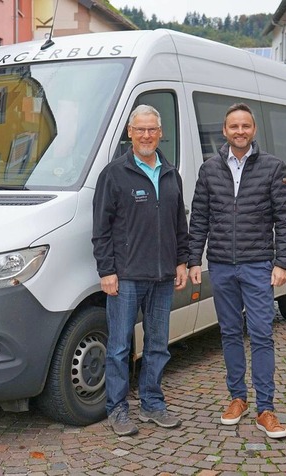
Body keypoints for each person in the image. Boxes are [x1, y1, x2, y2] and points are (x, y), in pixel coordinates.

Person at [188, 103, 286, 439]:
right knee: (230, 334)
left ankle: (266, 408)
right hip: (220, 265)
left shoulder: (273, 167)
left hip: (258, 265)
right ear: (224, 130)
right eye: (233, 126)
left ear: (253, 130)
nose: (239, 131)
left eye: (245, 126)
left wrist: (283, 263)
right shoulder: (209, 169)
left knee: (262, 334)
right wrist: (194, 260)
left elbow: (285, 220)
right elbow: (199, 218)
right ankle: (238, 398)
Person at [92, 104, 189, 436]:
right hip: (127, 276)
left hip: (163, 276)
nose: (146, 135)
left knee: (158, 344)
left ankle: (152, 404)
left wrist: (181, 260)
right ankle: (117, 408)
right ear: (129, 133)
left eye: (152, 129)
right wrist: (107, 270)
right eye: (140, 130)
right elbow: (101, 229)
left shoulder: (170, 172)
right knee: (119, 346)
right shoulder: (114, 173)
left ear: (160, 133)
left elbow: (180, 223)